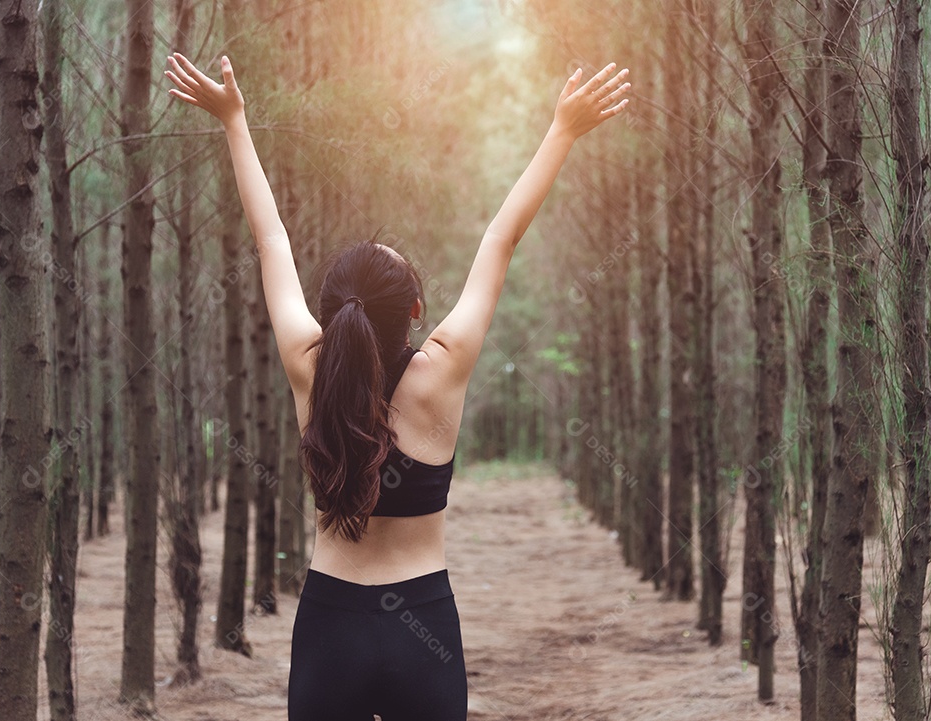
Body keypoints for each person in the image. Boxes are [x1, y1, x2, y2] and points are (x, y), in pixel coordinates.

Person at [165, 50, 630, 721]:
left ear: (331, 314)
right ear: (416, 309)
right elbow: (499, 239)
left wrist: (234, 120)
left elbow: (271, 241)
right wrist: (561, 130)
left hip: (330, 629)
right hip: (424, 628)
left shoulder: (308, 363)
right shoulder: (443, 369)